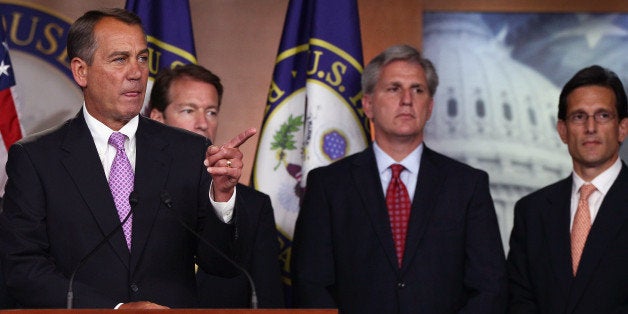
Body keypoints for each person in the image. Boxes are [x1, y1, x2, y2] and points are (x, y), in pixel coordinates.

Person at [0, 8, 255, 309]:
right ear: (81, 71)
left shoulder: (189, 152)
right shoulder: (36, 159)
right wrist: (114, 310)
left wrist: (221, 199)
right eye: (120, 59)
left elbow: (222, 264)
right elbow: (22, 270)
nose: (137, 73)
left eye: (142, 58)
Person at [291, 44, 507, 313]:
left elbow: (489, 285)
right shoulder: (329, 185)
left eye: (417, 90)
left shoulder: (466, 185)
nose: (407, 99)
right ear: (368, 105)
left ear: (429, 107)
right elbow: (310, 282)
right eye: (394, 88)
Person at [148, 64, 284, 308]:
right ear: (157, 118)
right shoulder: (132, 194)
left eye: (211, 112)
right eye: (189, 110)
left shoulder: (254, 206)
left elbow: (267, 299)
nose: (203, 123)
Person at [507, 65, 628, 313]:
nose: (590, 127)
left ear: (622, 128)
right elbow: (517, 299)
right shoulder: (531, 212)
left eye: (603, 115)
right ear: (562, 130)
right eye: (579, 116)